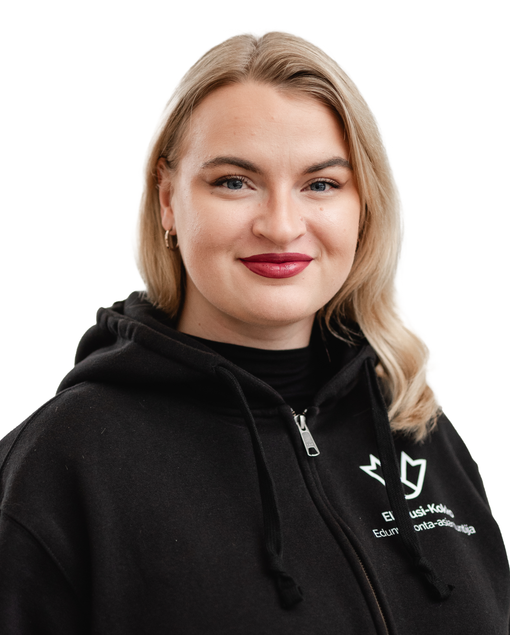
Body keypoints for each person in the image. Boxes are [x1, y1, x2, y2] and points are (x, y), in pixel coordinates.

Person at [0, 32, 508, 634]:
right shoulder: (63, 463)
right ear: (167, 200)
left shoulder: (412, 421)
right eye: (235, 182)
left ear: (364, 205)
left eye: (321, 184)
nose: (281, 226)